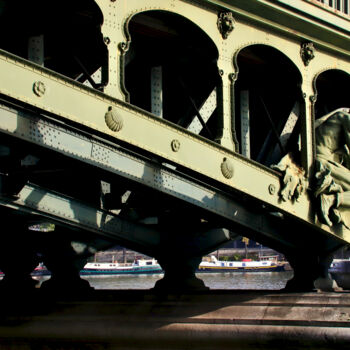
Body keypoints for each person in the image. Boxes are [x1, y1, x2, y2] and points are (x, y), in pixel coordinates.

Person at [314, 108, 350, 227]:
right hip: (323, 162)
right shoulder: (345, 118)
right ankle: (331, 200)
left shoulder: (338, 118)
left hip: (319, 159)